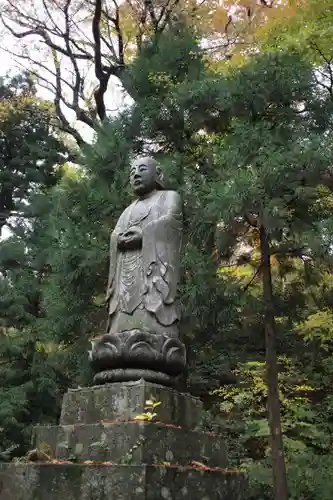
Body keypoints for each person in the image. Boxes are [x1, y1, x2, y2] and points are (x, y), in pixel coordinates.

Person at [106, 156, 182, 338]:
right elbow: (115, 234)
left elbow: (172, 222)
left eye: (142, 169)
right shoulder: (128, 211)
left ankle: (154, 330)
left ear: (158, 174)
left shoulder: (169, 197)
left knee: (154, 337)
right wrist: (118, 240)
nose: (136, 175)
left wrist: (144, 235)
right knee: (117, 338)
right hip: (127, 280)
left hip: (152, 277)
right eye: (132, 172)